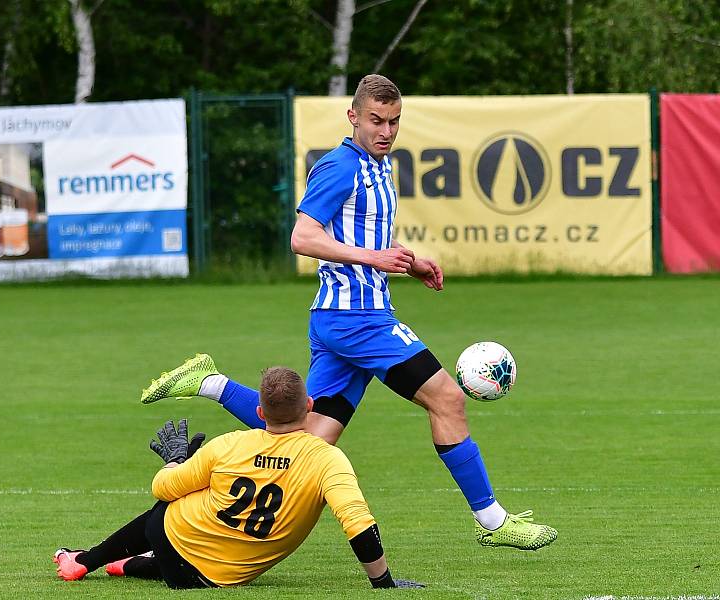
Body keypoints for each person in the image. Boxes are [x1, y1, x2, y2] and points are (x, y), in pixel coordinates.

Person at [141, 74, 556, 551]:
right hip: (358, 319)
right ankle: (494, 521)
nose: (386, 131)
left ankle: (208, 382)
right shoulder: (339, 167)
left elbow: (367, 238)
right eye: (376, 120)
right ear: (353, 117)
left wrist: (409, 261)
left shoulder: (378, 167)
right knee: (448, 399)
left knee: (303, 438)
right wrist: (374, 259)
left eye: (394, 121)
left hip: (347, 320)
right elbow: (303, 237)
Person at [55, 367, 422, 589]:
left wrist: (176, 461)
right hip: (215, 577)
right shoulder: (328, 460)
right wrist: (383, 582)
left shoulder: (229, 444)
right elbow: (358, 523)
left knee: (169, 507)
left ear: (260, 411)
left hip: (174, 542)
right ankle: (117, 562)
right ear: (309, 408)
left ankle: (88, 560)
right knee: (178, 548)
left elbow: (162, 489)